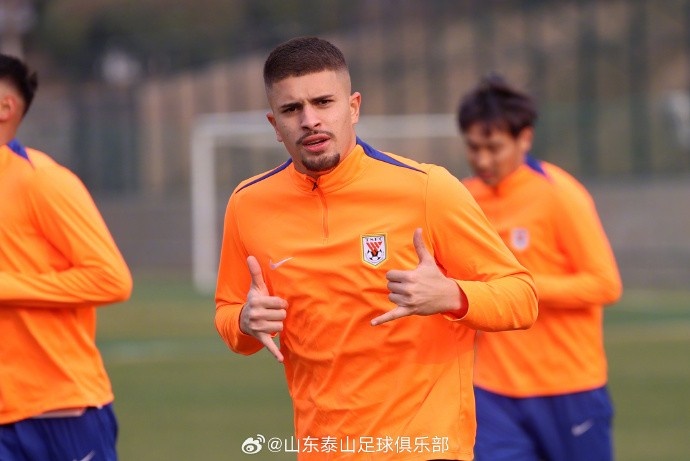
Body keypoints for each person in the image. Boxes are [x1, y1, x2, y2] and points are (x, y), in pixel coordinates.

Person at [215, 36, 538, 461]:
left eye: (323, 102)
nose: (310, 120)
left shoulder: (428, 189)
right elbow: (228, 313)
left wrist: (453, 295)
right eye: (292, 109)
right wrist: (244, 321)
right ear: (274, 125)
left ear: (353, 107)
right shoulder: (247, 204)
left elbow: (522, 297)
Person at [457, 74, 623, 461]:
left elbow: (605, 284)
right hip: (492, 390)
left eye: (494, 148)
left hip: (569, 387)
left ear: (525, 139)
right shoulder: (463, 198)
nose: (483, 160)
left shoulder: (559, 195)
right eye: (474, 148)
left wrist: (519, 288)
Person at [0, 54, 132, 460]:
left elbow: (111, 279)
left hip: (58, 410)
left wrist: (6, 286)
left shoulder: (41, 180)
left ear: (5, 107)